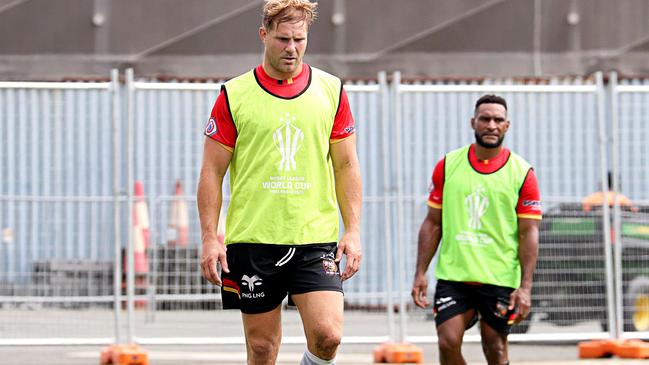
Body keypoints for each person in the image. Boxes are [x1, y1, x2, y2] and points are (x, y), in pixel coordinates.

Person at [197, 1, 362, 364]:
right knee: (262, 348)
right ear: (264, 35)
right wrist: (210, 237)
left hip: (314, 238)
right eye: (283, 38)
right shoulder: (234, 94)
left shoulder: (331, 90)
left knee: (328, 337)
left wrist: (353, 230)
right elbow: (212, 171)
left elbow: (346, 165)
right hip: (254, 240)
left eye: (299, 39)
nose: (292, 48)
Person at [411, 94, 542, 365]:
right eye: (485, 119)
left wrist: (525, 287)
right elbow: (432, 223)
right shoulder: (448, 165)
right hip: (454, 277)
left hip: (500, 279)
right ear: (473, 122)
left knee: (494, 347)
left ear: (507, 125)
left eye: (498, 120)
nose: (491, 125)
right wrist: (420, 272)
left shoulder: (522, 172)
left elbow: (528, 232)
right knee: (447, 342)